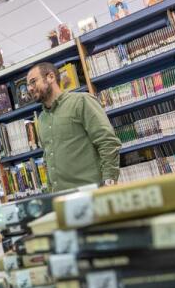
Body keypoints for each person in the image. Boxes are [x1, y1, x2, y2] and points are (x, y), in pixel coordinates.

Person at [26, 62, 121, 192]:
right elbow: (48, 159)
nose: (29, 88)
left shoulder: (81, 101)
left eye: (33, 82)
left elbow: (108, 142)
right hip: (62, 199)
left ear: (51, 77)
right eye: (28, 85)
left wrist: (109, 183)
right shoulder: (41, 119)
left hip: (92, 193)